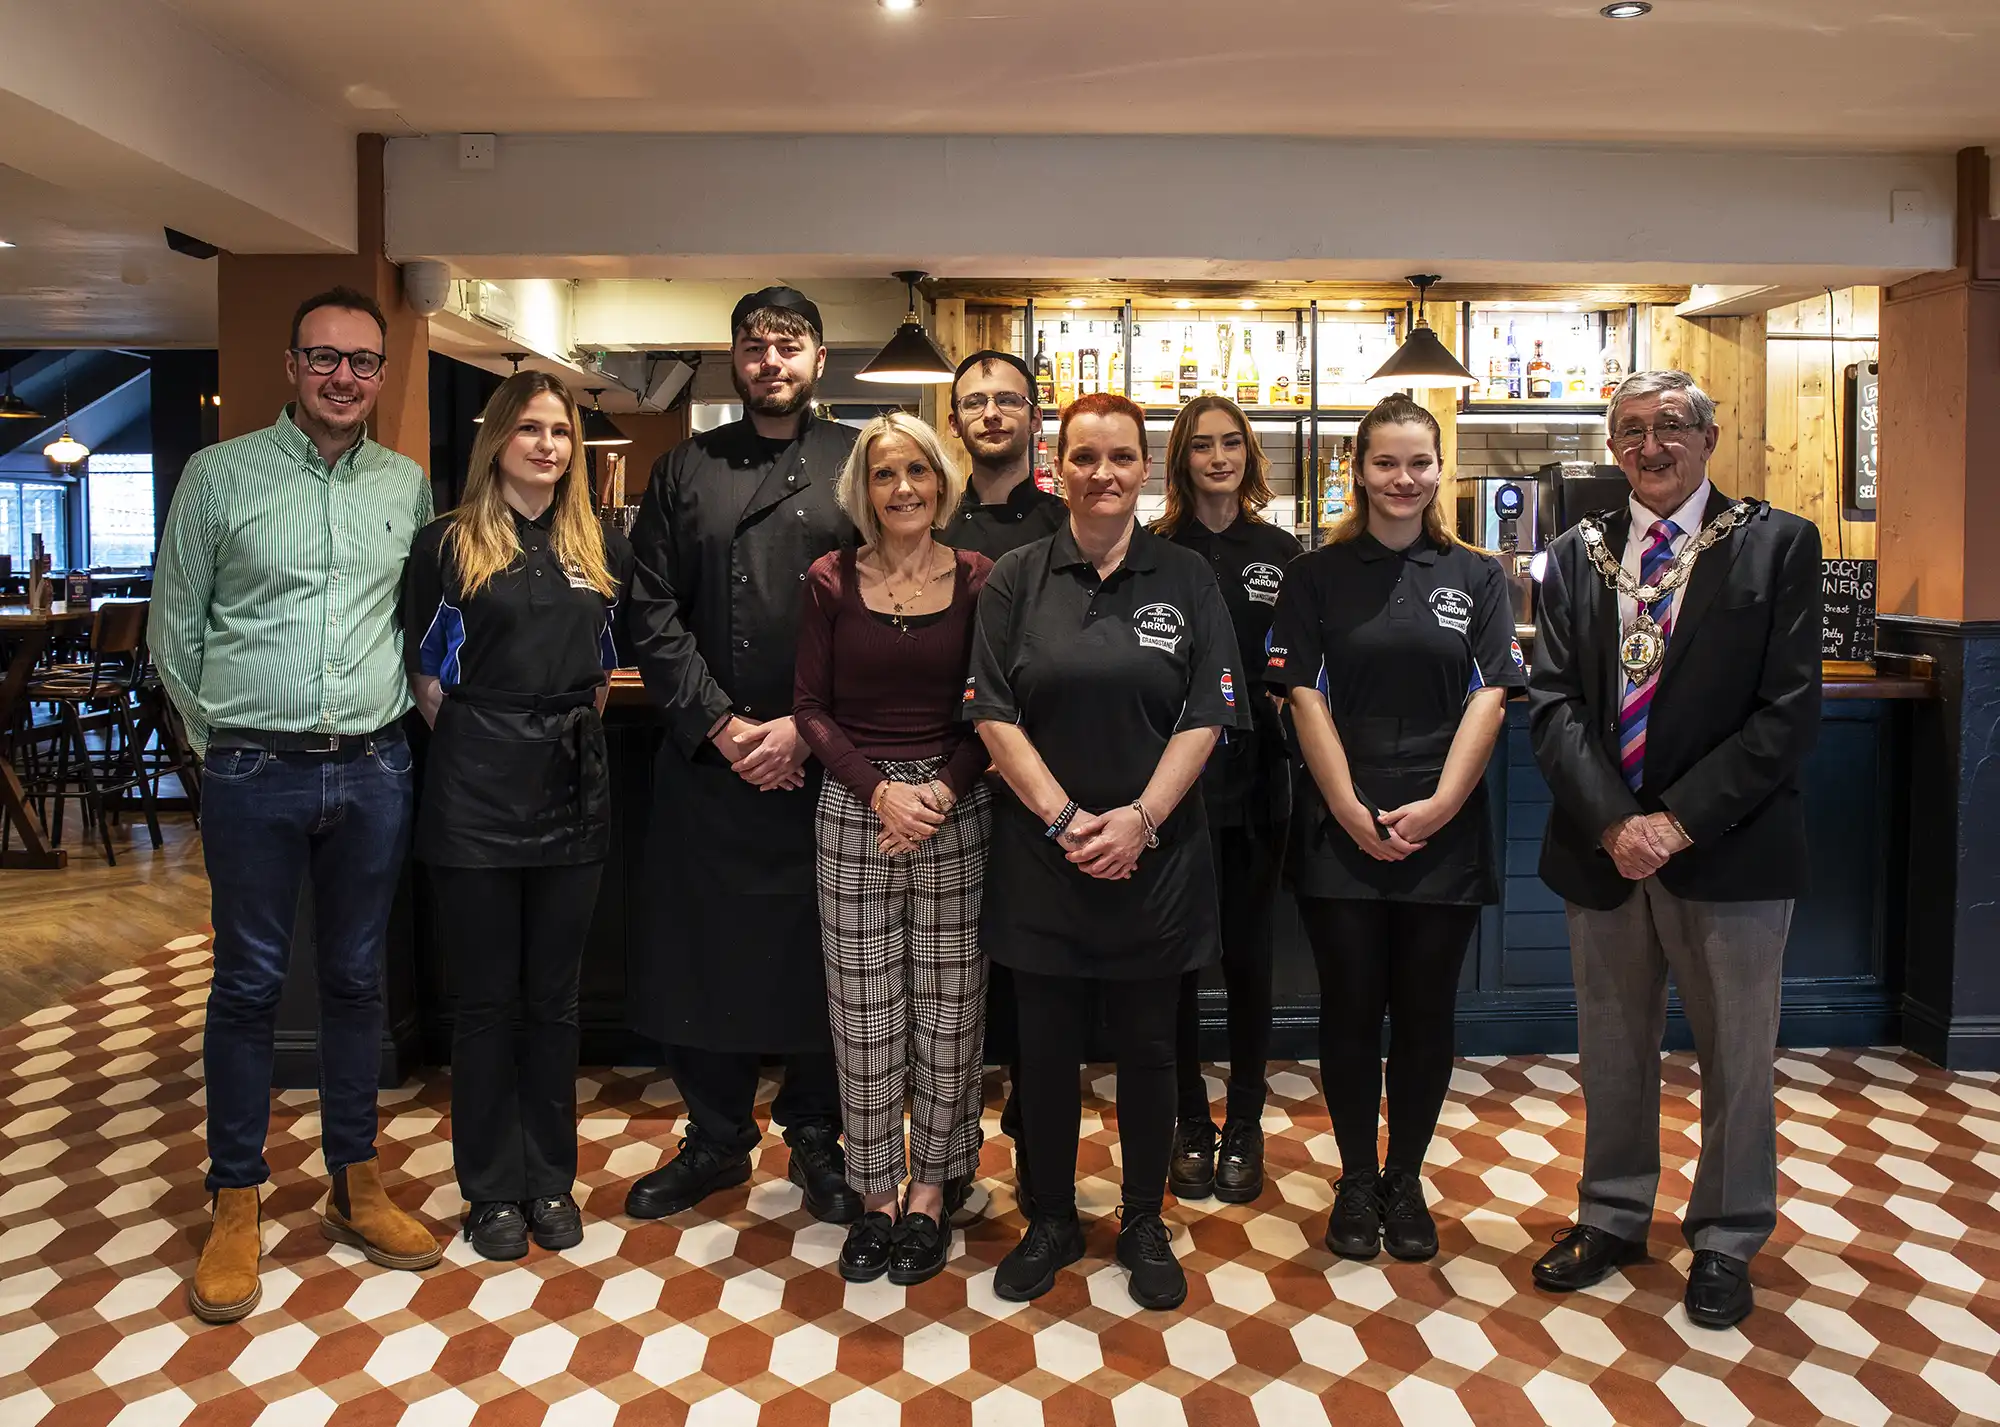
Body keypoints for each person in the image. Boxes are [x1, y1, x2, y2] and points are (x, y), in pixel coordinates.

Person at [152, 285, 442, 1323]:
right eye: (324, 357)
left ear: (380, 374)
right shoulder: (219, 475)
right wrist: (224, 747)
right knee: (247, 984)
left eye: (362, 361)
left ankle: (355, 1181)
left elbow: (417, 623)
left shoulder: (404, 485)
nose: (343, 377)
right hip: (253, 770)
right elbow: (173, 631)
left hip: (372, 767)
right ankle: (235, 1193)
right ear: (290, 366)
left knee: (358, 979)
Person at [1527, 370, 1821, 1329]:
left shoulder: (1776, 543)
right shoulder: (1577, 552)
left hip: (1730, 847)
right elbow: (1553, 703)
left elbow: (1787, 713)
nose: (1649, 446)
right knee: (1612, 1046)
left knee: (1737, 1052)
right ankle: (1613, 1215)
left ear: (1708, 436)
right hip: (1603, 851)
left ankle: (1728, 1235)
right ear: (1613, 447)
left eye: (1669, 426)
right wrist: (1617, 822)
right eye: (1630, 431)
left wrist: (1677, 820)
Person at [965, 392, 1244, 1311]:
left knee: (1150, 1048)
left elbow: (1209, 711)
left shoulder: (1186, 577)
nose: (1103, 473)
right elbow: (992, 711)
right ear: (1059, 465)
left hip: (1156, 860)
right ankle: (1050, 1217)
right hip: (1042, 858)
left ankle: (1142, 1219)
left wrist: (1138, 822)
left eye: (1121, 457)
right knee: (1043, 1052)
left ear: (1144, 467)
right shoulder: (1017, 577)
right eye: (1085, 457)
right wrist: (1064, 821)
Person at [621, 287, 862, 1226]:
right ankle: (717, 1137)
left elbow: (884, 602)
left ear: (818, 360)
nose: (771, 361)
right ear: (735, 358)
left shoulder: (857, 461)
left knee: (824, 957)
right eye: (755, 346)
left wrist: (806, 726)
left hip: (824, 761)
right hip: (711, 764)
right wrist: (722, 726)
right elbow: (650, 609)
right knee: (705, 955)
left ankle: (818, 1134)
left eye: (789, 345)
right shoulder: (685, 466)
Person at [1266, 395, 1521, 1263]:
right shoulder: (1315, 575)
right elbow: (1300, 694)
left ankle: (1404, 1177)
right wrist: (1346, 806)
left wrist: (1442, 804)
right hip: (1339, 821)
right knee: (1348, 1008)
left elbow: (1492, 695)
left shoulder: (1478, 576)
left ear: (1440, 469)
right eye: (1385, 463)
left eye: (1419, 462)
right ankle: (1353, 1178)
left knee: (1423, 1012)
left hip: (1444, 824)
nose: (1403, 479)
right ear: (1359, 471)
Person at [401, 372, 631, 1261]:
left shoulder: (595, 542)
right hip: (475, 789)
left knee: (554, 999)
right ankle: (493, 1187)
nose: (547, 445)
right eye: (530, 428)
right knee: (488, 999)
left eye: (561, 432)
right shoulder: (448, 541)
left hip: (573, 786)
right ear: (497, 438)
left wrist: (553, 732)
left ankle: (551, 1178)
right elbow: (426, 679)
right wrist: (493, 739)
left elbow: (601, 673)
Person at [795, 413, 995, 1286]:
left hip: (956, 806)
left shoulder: (981, 577)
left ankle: (932, 1191)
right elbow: (809, 707)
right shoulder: (829, 578)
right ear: (862, 489)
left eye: (917, 470)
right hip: (855, 807)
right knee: (863, 1009)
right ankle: (876, 1192)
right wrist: (881, 791)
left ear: (942, 482)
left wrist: (940, 791)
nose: (903, 487)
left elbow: (993, 706)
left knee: (952, 1011)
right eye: (884, 474)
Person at [1154, 395, 1302, 1206]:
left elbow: (1302, 660)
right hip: (1176, 784)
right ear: (1181, 457)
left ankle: (1244, 1118)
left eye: (1231, 443)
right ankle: (1188, 1117)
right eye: (1203, 445)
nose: (1218, 457)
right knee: (1179, 959)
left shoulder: (1280, 550)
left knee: (1250, 958)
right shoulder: (1156, 549)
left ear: (1249, 454)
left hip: (1259, 779)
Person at [938, 349, 1068, 1209]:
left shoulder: (1064, 526)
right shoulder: (928, 518)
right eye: (975, 402)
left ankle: (1035, 1149)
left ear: (1033, 417)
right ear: (955, 422)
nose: (991, 413)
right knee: (950, 978)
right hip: (947, 777)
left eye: (1007, 400)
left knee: (1032, 981)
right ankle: (948, 1153)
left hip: (1038, 778)